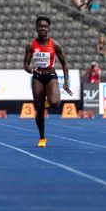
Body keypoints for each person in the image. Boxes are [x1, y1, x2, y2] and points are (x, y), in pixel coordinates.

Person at [23, 16, 72, 147]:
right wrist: (31, 70)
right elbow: (26, 65)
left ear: (48, 29)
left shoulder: (55, 45)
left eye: (45, 27)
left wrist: (66, 82)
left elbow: (64, 64)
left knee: (55, 103)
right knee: (39, 110)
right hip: (37, 78)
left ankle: (48, 101)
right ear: (36, 28)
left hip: (50, 75)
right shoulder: (31, 45)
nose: (43, 28)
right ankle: (42, 137)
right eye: (40, 26)